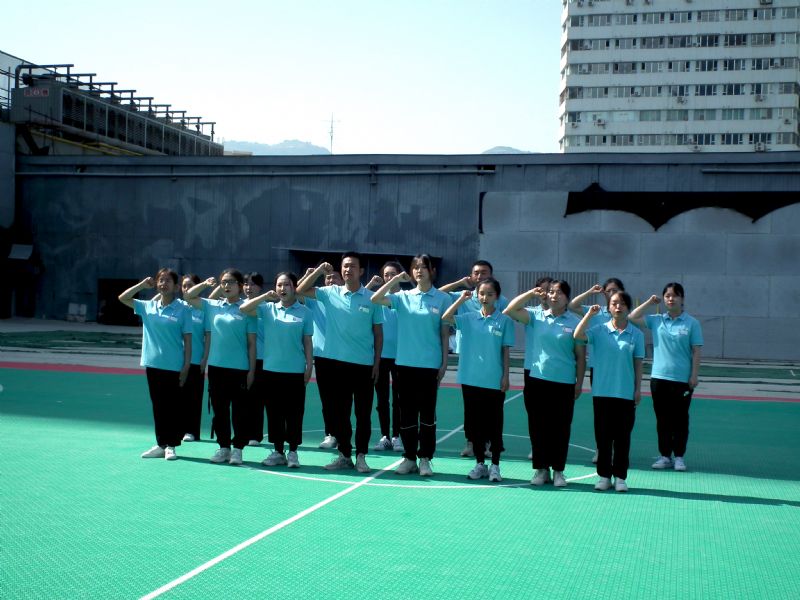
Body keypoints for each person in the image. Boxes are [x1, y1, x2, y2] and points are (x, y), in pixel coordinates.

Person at [297, 252, 383, 473]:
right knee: (339, 414)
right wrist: (318, 271)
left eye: (352, 266)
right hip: (335, 364)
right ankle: (345, 454)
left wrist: (376, 363)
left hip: (363, 365)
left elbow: (378, 333)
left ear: (361, 271)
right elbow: (300, 290)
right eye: (344, 266)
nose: (347, 270)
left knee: (363, 414)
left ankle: (361, 456)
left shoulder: (373, 298)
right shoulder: (329, 293)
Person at [371, 254, 452, 477]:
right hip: (405, 365)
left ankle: (425, 458)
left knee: (427, 415)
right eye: (415, 267)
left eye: (423, 267)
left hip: (430, 365)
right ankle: (409, 457)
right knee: (406, 414)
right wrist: (395, 279)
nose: (419, 271)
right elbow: (376, 299)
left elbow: (444, 334)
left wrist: (444, 363)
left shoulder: (443, 299)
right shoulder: (403, 297)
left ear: (432, 271)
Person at [504, 280, 586, 487]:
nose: (554, 296)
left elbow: (581, 356)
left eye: (559, 293)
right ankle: (541, 469)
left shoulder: (576, 322)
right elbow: (510, 309)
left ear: (567, 298)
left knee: (561, 428)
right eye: (551, 292)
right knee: (538, 427)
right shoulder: (536, 316)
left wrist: (579, 383)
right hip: (537, 381)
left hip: (564, 382)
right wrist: (531, 293)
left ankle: (558, 471)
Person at [442, 278, 514, 482]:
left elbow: (505, 351)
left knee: (495, 423)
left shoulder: (505, 321)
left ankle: (496, 465)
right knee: (475, 425)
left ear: (497, 297)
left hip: (493, 380)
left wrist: (506, 375)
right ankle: (480, 463)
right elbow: (446, 318)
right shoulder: (468, 318)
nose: (485, 297)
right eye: (481, 293)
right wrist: (460, 300)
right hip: (470, 379)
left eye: (490, 294)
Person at [184, 269, 257, 465]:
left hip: (240, 369)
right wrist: (206, 284)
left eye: (231, 282)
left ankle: (238, 449)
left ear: (240, 286)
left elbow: (252, 343)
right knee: (220, 411)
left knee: (239, 412)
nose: (226, 285)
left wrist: (251, 371)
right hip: (216, 368)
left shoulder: (247, 308)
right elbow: (188, 296)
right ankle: (224, 447)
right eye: (223, 282)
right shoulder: (213, 305)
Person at [574, 292, 644, 492]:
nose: (618, 307)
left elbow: (638, 364)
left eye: (622, 303)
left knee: (622, 438)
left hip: (625, 393)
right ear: (608, 307)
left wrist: (638, 389)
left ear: (628, 308)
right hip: (602, 392)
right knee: (603, 437)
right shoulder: (599, 330)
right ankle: (604, 476)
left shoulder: (636, 334)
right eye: (614, 303)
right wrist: (589, 315)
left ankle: (620, 477)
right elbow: (577, 335)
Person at [118, 269, 191, 461]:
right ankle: (161, 444)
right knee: (158, 406)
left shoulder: (183, 309)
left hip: (174, 365)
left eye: (168, 281)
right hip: (153, 364)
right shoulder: (148, 306)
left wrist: (186, 366)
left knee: (172, 406)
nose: (163, 284)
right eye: (161, 280)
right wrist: (142, 285)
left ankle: (171, 445)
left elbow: (188, 339)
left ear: (176, 286)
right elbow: (123, 298)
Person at [242, 272, 313, 469]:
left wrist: (309, 365)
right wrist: (265, 296)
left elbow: (307, 341)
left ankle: (293, 452)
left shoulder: (305, 312)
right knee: (274, 413)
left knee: (294, 413)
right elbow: (244, 308)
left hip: (295, 370)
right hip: (271, 370)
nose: (282, 289)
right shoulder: (267, 309)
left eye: (287, 285)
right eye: (279, 285)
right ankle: (278, 451)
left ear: (294, 287)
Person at [629, 283, 703, 472]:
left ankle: (679, 457)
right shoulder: (657, 320)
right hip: (659, 378)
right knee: (663, 420)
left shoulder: (692, 323)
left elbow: (696, 351)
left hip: (682, 380)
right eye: (667, 295)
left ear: (682, 299)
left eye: (675, 295)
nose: (671, 299)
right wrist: (649, 302)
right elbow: (632, 317)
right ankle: (665, 455)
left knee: (680, 419)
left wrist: (694, 375)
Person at [568, 278, 626, 464]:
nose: (611, 294)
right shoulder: (596, 311)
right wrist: (590, 292)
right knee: (601, 413)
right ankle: (601, 449)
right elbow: (572, 305)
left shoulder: (624, 313)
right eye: (608, 291)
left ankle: (617, 450)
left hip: (621, 371)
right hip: (599, 370)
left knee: (619, 414)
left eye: (615, 290)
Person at [299, 268, 344, 450]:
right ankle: (330, 433)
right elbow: (297, 291)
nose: (331, 280)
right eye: (328, 278)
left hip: (345, 356)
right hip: (323, 356)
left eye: (335, 277)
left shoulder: (344, 299)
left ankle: (343, 434)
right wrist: (313, 273)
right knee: (327, 399)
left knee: (343, 399)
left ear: (342, 281)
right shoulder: (315, 299)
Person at [366, 262, 404, 453]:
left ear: (400, 276)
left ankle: (397, 436)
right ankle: (385, 436)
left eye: (393, 274)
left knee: (399, 400)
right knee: (382, 400)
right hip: (380, 356)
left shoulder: (405, 297)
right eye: (386, 275)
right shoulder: (377, 298)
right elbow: (363, 301)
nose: (390, 278)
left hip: (401, 357)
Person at [179, 274, 208, 442]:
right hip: (177, 361)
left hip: (196, 360)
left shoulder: (203, 309)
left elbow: (208, 336)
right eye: (184, 286)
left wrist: (205, 358)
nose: (186, 289)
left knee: (193, 397)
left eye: (190, 285)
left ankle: (191, 431)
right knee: (177, 396)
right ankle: (177, 428)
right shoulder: (177, 306)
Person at [243, 272, 266, 447]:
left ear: (260, 287)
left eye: (252, 284)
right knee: (242, 398)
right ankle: (242, 431)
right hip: (240, 359)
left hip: (261, 358)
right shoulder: (238, 304)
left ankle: (255, 434)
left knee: (257, 398)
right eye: (245, 284)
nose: (248, 287)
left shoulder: (266, 308)